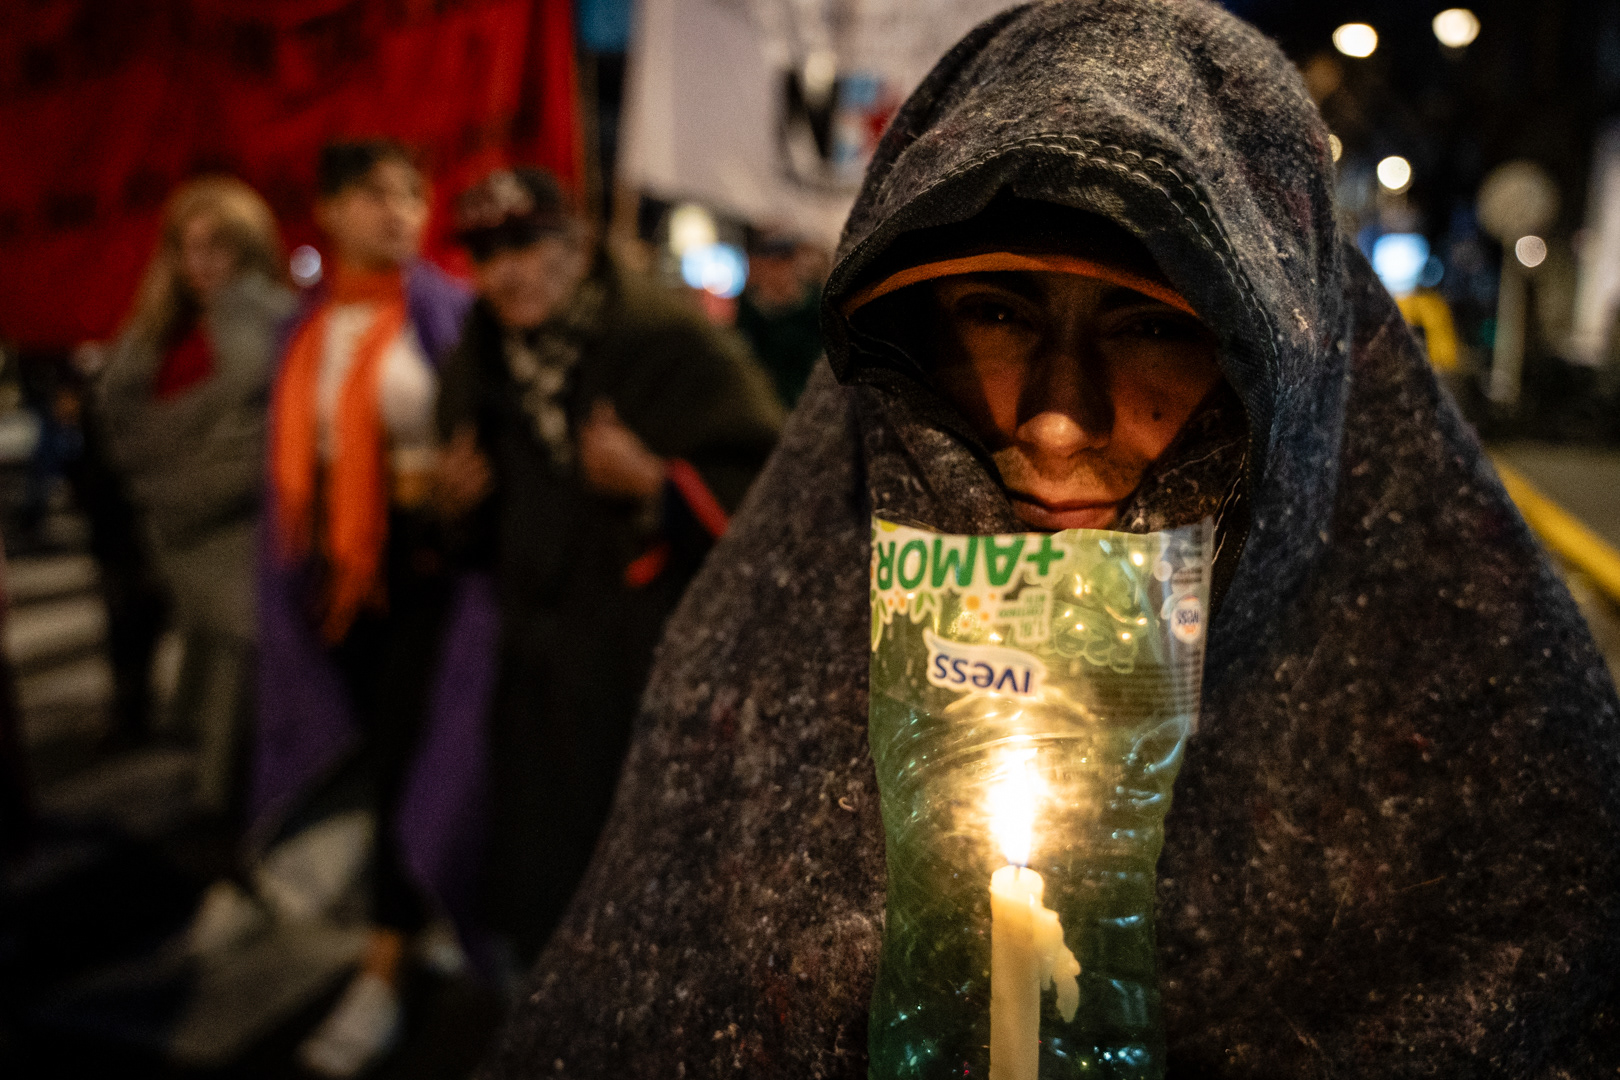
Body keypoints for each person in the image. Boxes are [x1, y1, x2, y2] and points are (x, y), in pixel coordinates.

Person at [482, 1, 1620, 1076]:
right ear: (901, 348)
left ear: (1280, 368)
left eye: (1151, 327)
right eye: (993, 313)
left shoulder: (1483, 747)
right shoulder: (768, 658)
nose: (1059, 417)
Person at [436, 167, 783, 969]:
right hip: (536, 673)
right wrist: (453, 511)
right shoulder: (479, 360)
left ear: (576, 241)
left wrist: (660, 487)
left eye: (525, 243)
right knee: (546, 897)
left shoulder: (665, 339)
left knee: (651, 908)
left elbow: (770, 497)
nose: (508, 272)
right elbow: (479, 543)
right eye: (487, 255)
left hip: (646, 667)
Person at [251, 140, 496, 1078]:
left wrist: (459, 485)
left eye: (411, 193)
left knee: (409, 756)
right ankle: (405, 909)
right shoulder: (303, 326)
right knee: (356, 749)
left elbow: (483, 431)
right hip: (328, 572)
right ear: (329, 211)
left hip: (425, 573)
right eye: (373, 195)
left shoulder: (447, 313)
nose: (397, 212)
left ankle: (387, 958)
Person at [98, 177, 294, 813]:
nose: (206, 263)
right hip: (181, 543)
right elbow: (126, 431)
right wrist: (169, 485)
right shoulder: (150, 336)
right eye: (191, 246)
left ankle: (242, 824)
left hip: (245, 542)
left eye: (222, 246)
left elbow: (263, 442)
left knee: (245, 699)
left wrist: (180, 484)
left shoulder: (269, 324)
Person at [735, 228, 824, 407]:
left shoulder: (815, 306)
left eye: (784, 262)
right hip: (766, 403)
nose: (778, 270)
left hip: (810, 401)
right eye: (772, 263)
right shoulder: (750, 309)